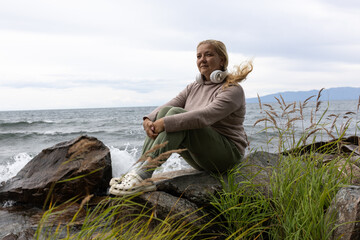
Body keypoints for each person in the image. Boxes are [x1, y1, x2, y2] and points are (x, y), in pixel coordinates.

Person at [109, 39, 253, 196]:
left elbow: (205, 117)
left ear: (222, 60)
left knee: (175, 116)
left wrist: (165, 123)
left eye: (208, 55)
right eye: (199, 56)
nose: (202, 60)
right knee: (169, 112)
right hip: (203, 157)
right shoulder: (194, 87)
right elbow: (168, 106)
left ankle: (144, 175)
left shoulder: (232, 90)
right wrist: (148, 120)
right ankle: (137, 170)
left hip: (226, 157)